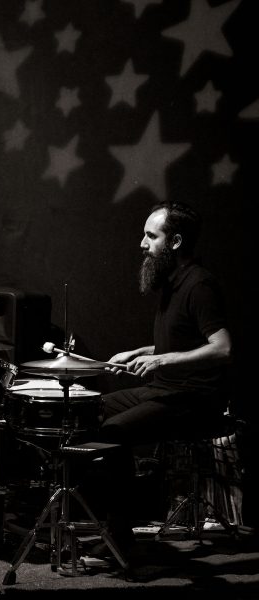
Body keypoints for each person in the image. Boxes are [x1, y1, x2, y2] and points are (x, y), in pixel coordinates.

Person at [83, 200, 233, 560]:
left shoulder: (199, 285)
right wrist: (140, 351)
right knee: (90, 409)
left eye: (151, 236)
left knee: (114, 432)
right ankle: (112, 525)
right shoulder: (171, 283)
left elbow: (223, 347)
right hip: (164, 389)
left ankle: (120, 537)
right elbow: (183, 340)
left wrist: (161, 359)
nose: (142, 243)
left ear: (176, 242)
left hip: (195, 399)